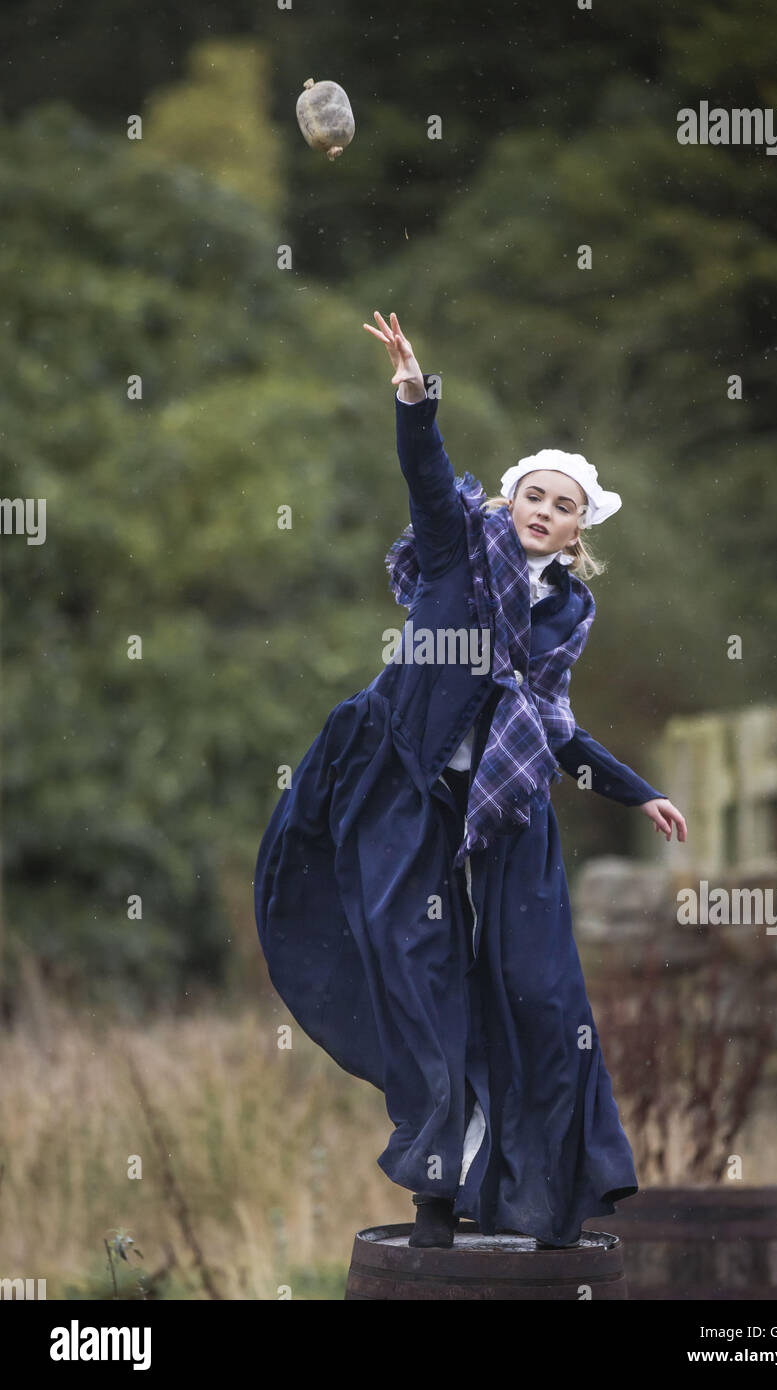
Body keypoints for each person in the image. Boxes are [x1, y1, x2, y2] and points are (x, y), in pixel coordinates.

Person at [254, 311, 687, 1250]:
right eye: (533, 494)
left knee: (542, 993)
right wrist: (415, 394)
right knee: (422, 981)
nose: (543, 509)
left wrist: (634, 789)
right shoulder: (459, 546)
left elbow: (554, 726)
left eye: (562, 505)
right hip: (403, 789)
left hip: (502, 810)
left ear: (578, 533)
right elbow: (423, 477)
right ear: (510, 501)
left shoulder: (569, 613)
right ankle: (437, 1197)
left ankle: (557, 1195)